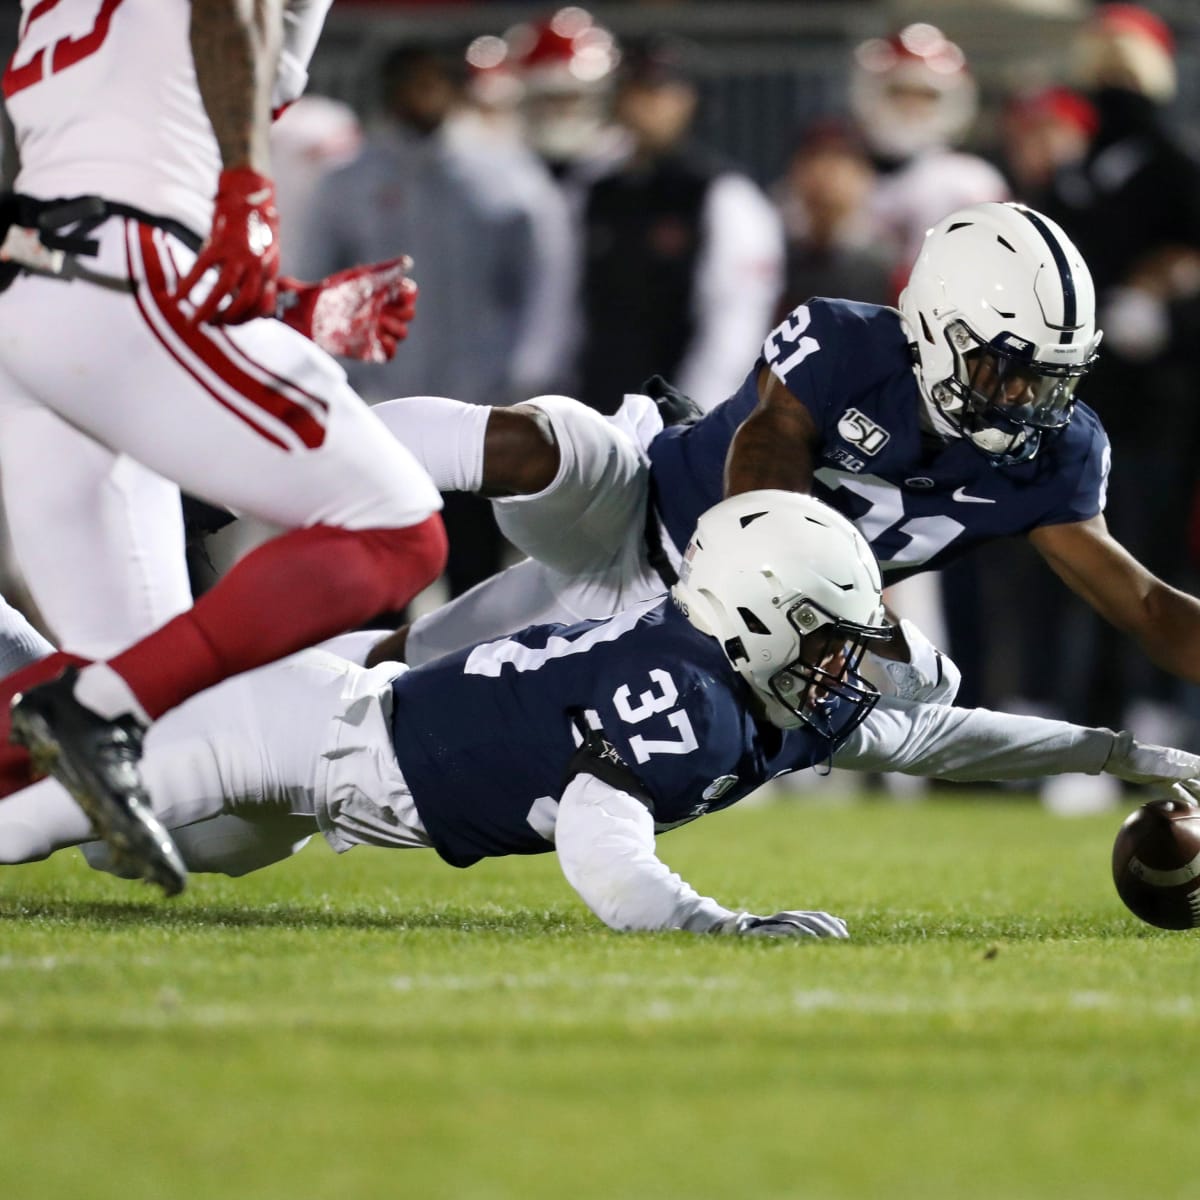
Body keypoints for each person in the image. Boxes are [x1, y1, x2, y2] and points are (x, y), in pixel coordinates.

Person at [2, 492, 1193, 932]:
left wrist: (1127, 753)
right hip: (312, 732)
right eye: (835, 641)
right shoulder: (693, 699)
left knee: (141, 856)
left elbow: (938, 737)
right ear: (768, 620)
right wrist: (713, 924)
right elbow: (597, 837)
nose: (852, 668)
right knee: (56, 815)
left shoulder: (763, 682)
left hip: (344, 775)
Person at [362, 200, 1200, 764]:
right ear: (939, 328)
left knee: (408, 685)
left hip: (700, 639)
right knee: (537, 444)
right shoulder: (846, 343)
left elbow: (1147, 606)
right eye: (1005, 369)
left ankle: (286, 712)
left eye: (1051, 378)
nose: (1026, 400)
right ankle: (327, 451)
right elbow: (765, 465)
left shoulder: (1055, 454)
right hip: (637, 502)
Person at [0, 0, 448, 895]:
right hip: (121, 278)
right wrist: (249, 186)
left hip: (53, 287)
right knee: (399, 533)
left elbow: (115, 149)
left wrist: (282, 307)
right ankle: (95, 711)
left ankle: (94, 708)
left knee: (145, 680)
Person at [574, 36, 784, 413]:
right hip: (596, 402)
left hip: (675, 410)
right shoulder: (594, 190)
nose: (647, 106)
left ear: (688, 101)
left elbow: (735, 321)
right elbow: (566, 308)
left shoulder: (723, 195)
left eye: (661, 92)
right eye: (637, 91)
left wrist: (692, 412)